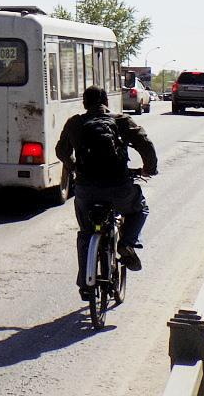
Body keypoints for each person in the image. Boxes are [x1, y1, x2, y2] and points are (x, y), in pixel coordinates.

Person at [56, 85, 158, 302]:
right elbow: (145, 143)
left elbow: (61, 151)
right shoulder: (121, 121)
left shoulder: (75, 123)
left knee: (86, 232)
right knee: (140, 209)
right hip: (119, 187)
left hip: (86, 189)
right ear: (106, 102)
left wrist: (75, 168)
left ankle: (85, 284)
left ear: (84, 103)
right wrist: (149, 168)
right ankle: (126, 243)